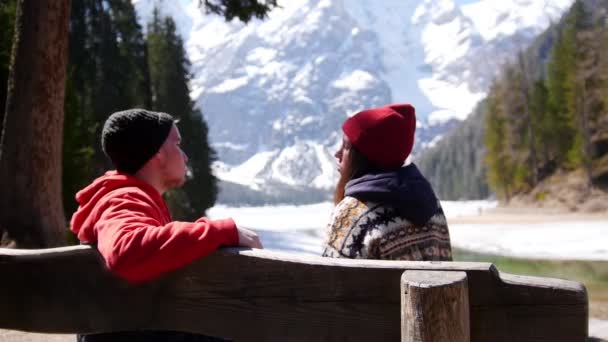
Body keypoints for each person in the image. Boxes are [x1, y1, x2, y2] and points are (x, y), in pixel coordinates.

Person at [70, 109, 262, 341]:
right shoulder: (124, 199)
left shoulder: (126, 196)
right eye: (178, 144)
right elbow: (126, 250)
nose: (185, 156)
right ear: (158, 152)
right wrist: (221, 231)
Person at [322, 103, 452, 261]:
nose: (337, 153)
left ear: (365, 157)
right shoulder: (432, 206)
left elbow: (329, 281)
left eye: (346, 146)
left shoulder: (350, 214)